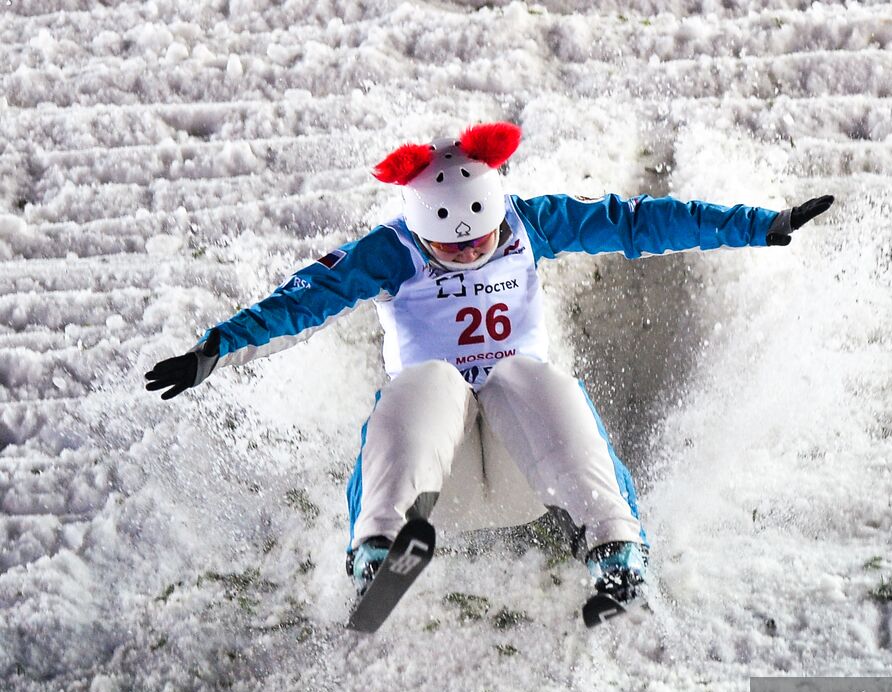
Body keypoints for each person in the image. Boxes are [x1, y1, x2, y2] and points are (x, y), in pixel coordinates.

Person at [145, 121, 834, 617]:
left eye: (479, 238)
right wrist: (213, 350)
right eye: (449, 246)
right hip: (438, 481)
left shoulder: (531, 225)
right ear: (418, 230)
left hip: (522, 462)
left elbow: (638, 222)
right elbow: (299, 302)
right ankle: (377, 542)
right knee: (430, 381)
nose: (470, 252)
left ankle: (614, 542)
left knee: (523, 374)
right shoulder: (388, 252)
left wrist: (757, 225)